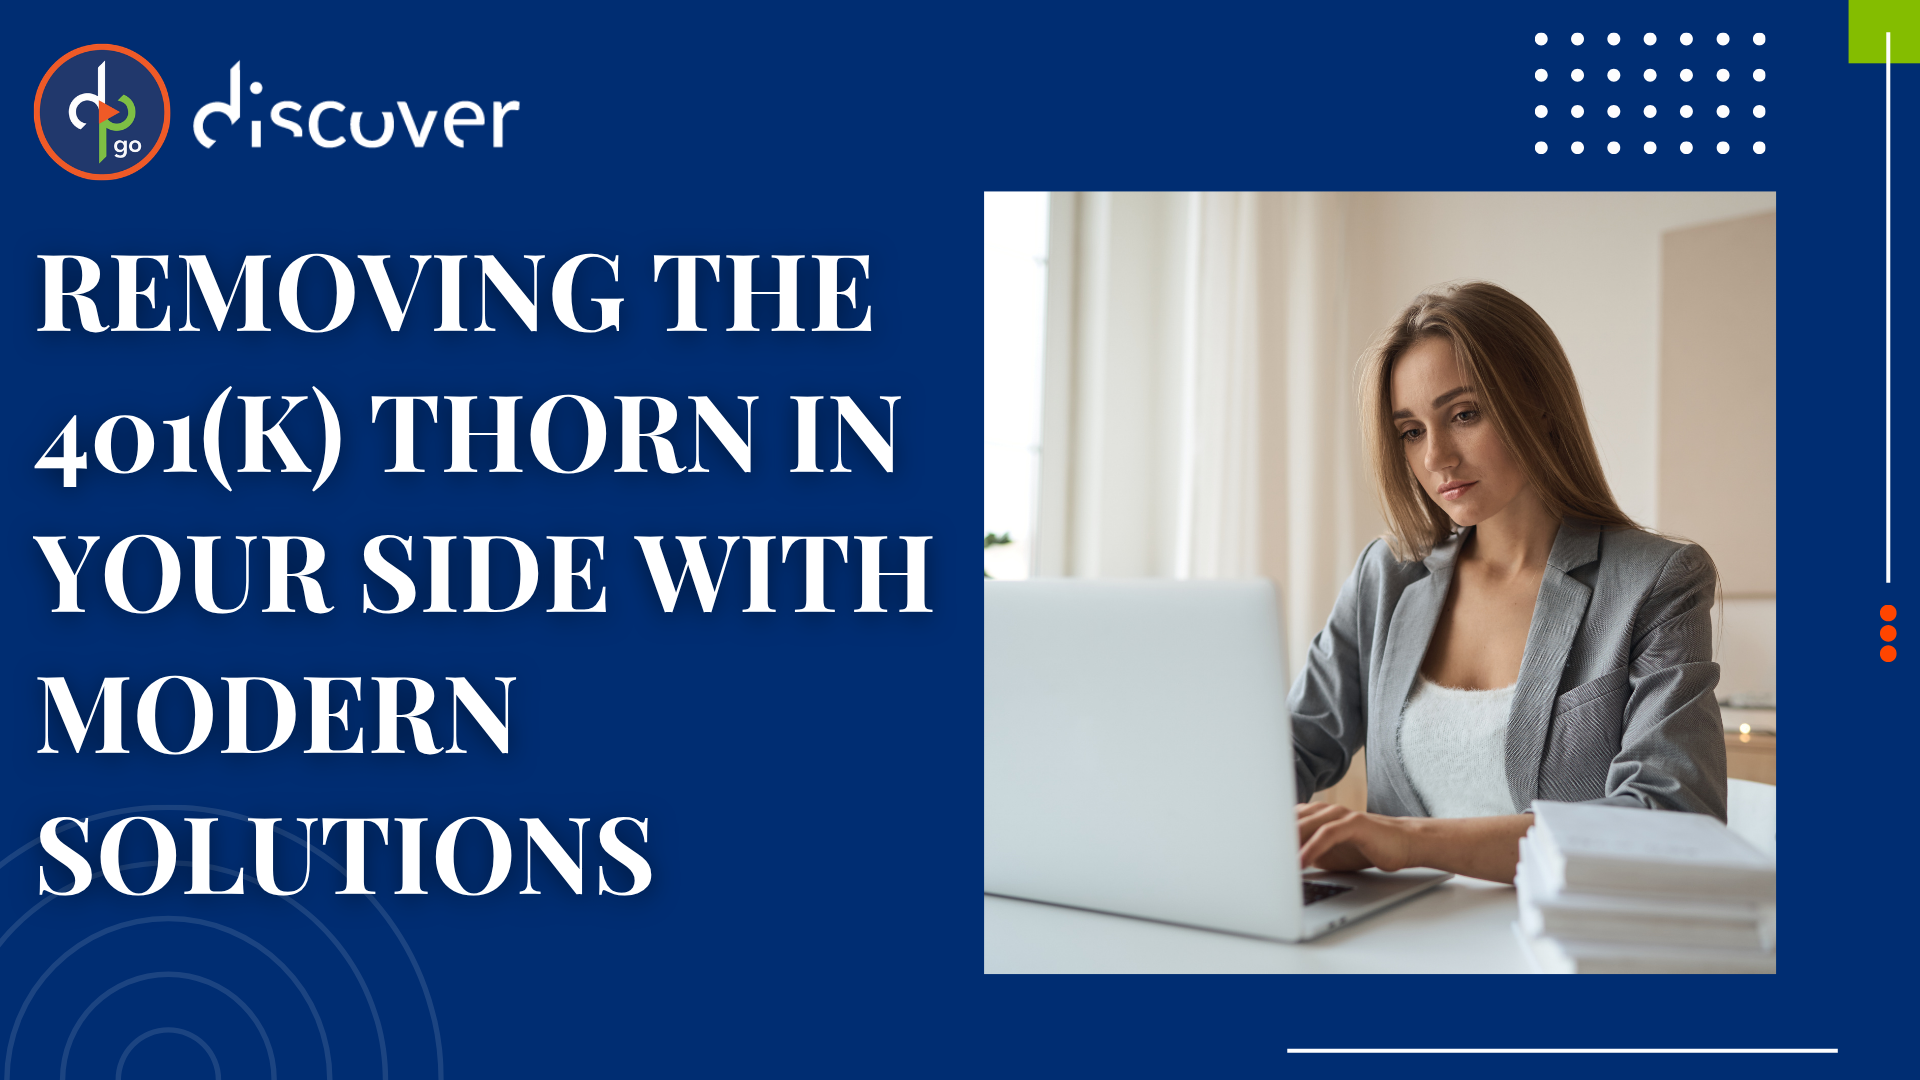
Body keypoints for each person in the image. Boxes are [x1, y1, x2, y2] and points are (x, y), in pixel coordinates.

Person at [1290, 282, 1725, 885]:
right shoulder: (1385, 578)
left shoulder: (1656, 581)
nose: (1437, 456)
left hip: (1559, 953)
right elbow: (1289, 749)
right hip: (1390, 946)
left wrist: (1410, 841)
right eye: (1411, 431)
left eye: (1464, 415)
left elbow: (1671, 819)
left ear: (1539, 405)